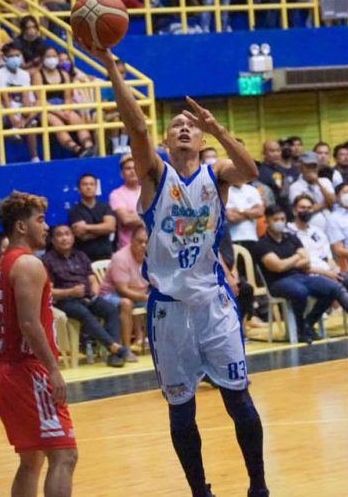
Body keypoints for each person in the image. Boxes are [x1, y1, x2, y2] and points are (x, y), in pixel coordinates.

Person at [85, 43, 269, 497]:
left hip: (212, 302)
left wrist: (218, 128)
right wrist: (110, 64)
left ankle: (259, 486)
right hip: (168, 311)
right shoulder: (155, 175)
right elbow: (136, 124)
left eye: (190, 127)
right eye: (177, 127)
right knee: (181, 410)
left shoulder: (217, 173)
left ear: (202, 140)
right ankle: (199, 491)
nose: (184, 129)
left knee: (238, 399)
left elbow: (251, 171)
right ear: (166, 143)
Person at [0, 191, 78, 497]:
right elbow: (29, 324)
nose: (47, 226)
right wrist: (53, 370)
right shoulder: (28, 264)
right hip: (26, 370)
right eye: (40, 220)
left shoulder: (3, 263)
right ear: (21, 227)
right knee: (64, 454)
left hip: (5, 369)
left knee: (31, 459)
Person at [42, 224, 131, 366]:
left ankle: (114, 354)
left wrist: (94, 290)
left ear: (73, 237)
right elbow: (49, 292)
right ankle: (114, 348)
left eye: (67, 234)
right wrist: (70, 292)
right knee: (84, 313)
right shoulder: (47, 260)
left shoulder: (81, 255)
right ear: (52, 240)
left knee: (111, 310)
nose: (64, 238)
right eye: (59, 235)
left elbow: (92, 278)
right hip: (65, 300)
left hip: (87, 296)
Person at [287, 195, 348, 331]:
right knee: (337, 287)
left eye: (309, 208)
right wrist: (327, 273)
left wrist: (334, 268)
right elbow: (298, 264)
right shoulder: (288, 233)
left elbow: (328, 257)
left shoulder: (316, 231)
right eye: (302, 207)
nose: (306, 210)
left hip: (328, 270)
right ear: (294, 210)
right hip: (307, 274)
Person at [255, 204, 341, 342]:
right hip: (277, 282)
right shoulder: (261, 244)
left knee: (332, 288)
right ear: (267, 220)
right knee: (299, 291)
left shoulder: (291, 237)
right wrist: (295, 257)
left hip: (299, 276)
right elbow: (277, 267)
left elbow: (306, 260)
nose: (280, 222)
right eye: (276, 219)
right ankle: (300, 329)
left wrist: (286, 262)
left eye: (282, 219)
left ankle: (308, 323)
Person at [31, 46, 93, 156]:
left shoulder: (64, 74)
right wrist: (58, 112)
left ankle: (89, 147)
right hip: (46, 107)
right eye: (48, 57)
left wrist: (67, 110)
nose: (51, 59)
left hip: (63, 105)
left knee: (78, 121)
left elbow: (68, 96)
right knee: (58, 124)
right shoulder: (37, 75)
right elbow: (40, 98)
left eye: (54, 56)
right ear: (42, 59)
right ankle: (77, 149)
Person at [99, 225, 149, 352]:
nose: (143, 245)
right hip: (111, 294)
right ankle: (126, 349)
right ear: (131, 240)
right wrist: (145, 297)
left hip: (139, 293)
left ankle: (162, 345)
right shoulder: (120, 258)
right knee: (126, 303)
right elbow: (122, 290)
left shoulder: (152, 256)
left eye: (146, 242)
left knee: (165, 301)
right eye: (139, 241)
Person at [0, 42, 39, 162]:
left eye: (17, 55)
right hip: (3, 110)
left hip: (20, 110)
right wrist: (12, 117)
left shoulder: (24, 74)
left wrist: (26, 107)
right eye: (11, 56)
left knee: (38, 108)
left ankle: (34, 158)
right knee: (30, 122)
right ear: (5, 58)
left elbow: (26, 95)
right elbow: (4, 98)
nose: (15, 58)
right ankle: (18, 126)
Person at [68, 173, 116, 262]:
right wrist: (103, 231)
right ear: (79, 189)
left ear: (96, 187)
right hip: (84, 259)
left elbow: (110, 227)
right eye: (85, 184)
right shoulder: (74, 211)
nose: (88, 187)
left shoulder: (105, 207)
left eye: (91, 184)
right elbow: (82, 235)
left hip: (106, 256)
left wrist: (86, 227)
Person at [287, 151, 336, 229]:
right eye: (308, 166)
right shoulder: (295, 187)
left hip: (330, 225)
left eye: (314, 166)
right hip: (309, 226)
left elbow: (333, 202)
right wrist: (325, 204)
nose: (311, 169)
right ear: (301, 167)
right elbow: (303, 211)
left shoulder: (325, 181)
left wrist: (317, 182)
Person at [109, 154, 143, 249]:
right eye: (128, 168)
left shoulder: (149, 191)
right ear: (122, 173)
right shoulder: (116, 194)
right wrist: (151, 217)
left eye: (135, 167)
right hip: (127, 247)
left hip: (151, 246)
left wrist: (135, 217)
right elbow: (126, 220)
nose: (132, 171)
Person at [226, 179, 264, 249]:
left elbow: (260, 212)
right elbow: (231, 217)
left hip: (252, 237)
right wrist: (251, 214)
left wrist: (239, 211)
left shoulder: (252, 190)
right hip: (234, 238)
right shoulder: (226, 191)